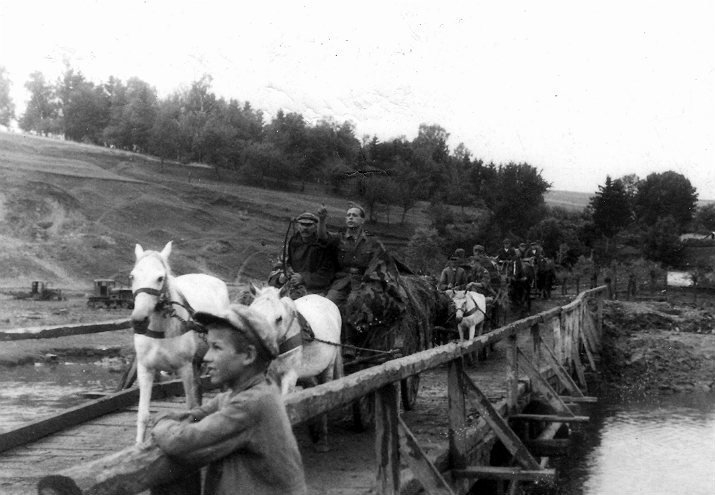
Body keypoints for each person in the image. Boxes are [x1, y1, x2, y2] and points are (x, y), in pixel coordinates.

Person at [151, 305, 307, 495]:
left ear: (248, 355)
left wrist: (161, 422)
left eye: (216, 347)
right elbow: (196, 415)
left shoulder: (252, 403)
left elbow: (180, 442)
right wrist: (175, 419)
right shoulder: (240, 395)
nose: (206, 357)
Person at [322, 203, 407, 339]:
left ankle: (350, 342)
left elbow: (379, 263)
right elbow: (323, 237)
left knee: (353, 304)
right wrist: (322, 220)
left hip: (361, 281)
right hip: (341, 281)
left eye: (354, 215)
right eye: (348, 215)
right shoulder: (339, 239)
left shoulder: (373, 242)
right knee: (327, 304)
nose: (350, 218)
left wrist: (367, 282)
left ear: (362, 220)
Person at [268, 210, 336, 297]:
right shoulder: (293, 242)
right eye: (302, 224)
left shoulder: (323, 246)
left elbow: (327, 273)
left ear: (316, 227)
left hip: (315, 289)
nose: (305, 228)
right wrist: (281, 278)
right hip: (292, 285)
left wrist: (303, 278)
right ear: (297, 226)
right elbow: (280, 265)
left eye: (309, 225)